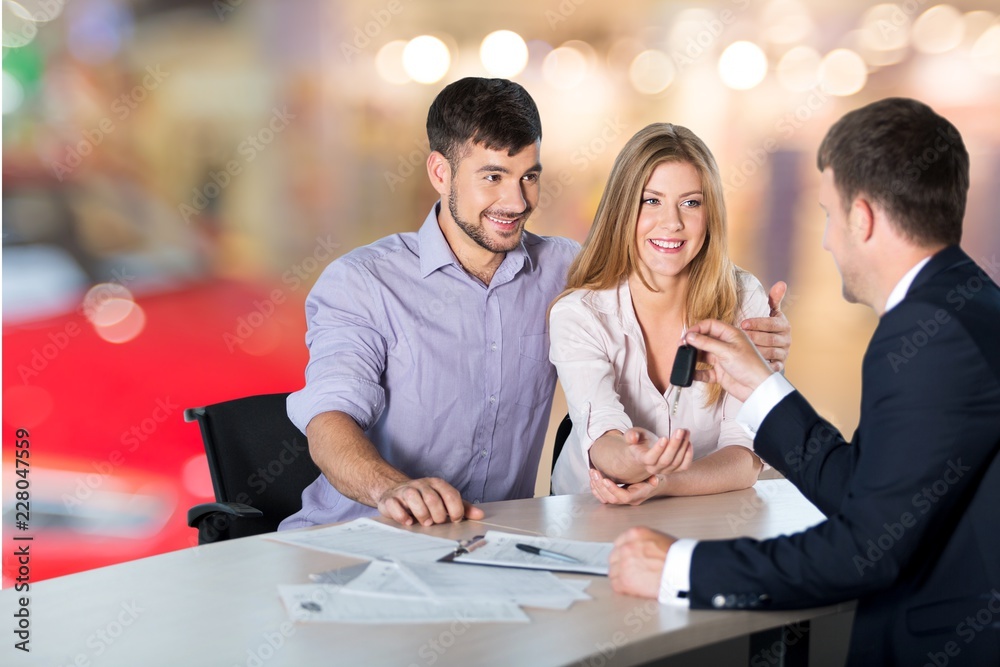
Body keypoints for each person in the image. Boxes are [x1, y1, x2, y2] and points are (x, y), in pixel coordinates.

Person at [280, 77, 791, 530]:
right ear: (440, 172)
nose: (517, 201)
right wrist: (389, 488)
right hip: (360, 534)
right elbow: (329, 419)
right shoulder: (363, 281)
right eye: (493, 176)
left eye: (529, 176)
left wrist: (766, 343)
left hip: (493, 543)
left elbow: (662, 262)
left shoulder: (569, 274)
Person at [607, 98, 1000, 666]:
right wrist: (759, 386)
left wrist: (679, 567)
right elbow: (866, 491)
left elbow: (866, 550)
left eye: (828, 215)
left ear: (862, 218)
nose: (826, 240)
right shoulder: (969, 307)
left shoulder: (928, 332)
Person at [549, 123, 790, 502]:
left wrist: (663, 482)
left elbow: (745, 456)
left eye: (691, 202)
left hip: (703, 512)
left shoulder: (744, 299)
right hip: (593, 511)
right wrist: (636, 459)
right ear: (622, 209)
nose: (673, 222)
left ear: (711, 214)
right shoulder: (579, 313)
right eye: (651, 200)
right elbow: (602, 440)